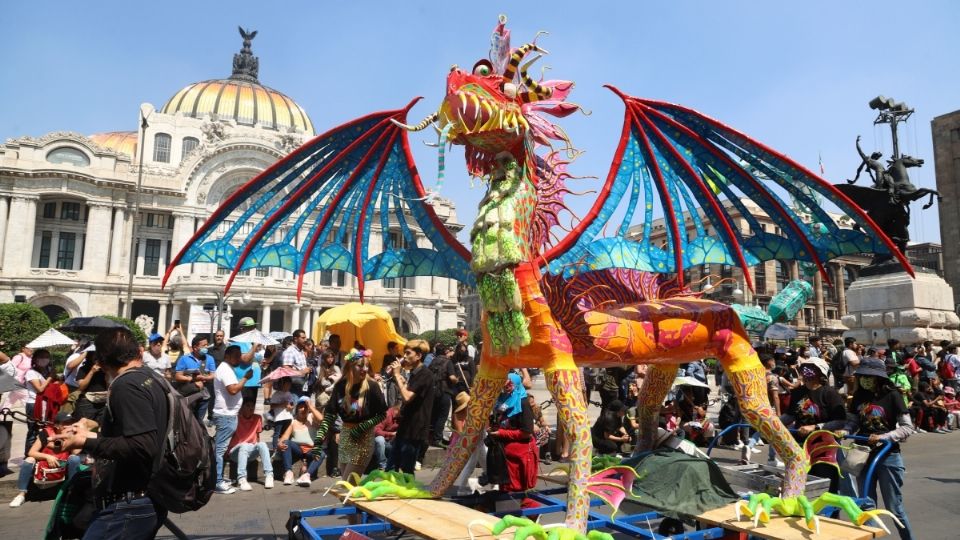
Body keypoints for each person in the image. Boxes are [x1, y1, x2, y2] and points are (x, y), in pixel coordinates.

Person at [53, 328, 170, 540]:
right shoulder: (152, 378)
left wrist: (84, 441)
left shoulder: (126, 385)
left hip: (129, 505)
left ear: (103, 362)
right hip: (144, 499)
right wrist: (94, 431)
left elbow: (142, 445)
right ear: (140, 352)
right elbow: (141, 432)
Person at [840, 357, 915, 540]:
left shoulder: (893, 395)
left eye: (869, 376)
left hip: (887, 455)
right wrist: (846, 430)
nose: (865, 379)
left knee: (894, 508)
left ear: (879, 378)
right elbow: (854, 421)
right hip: (862, 454)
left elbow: (907, 427)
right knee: (866, 506)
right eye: (862, 376)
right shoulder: (859, 396)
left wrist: (882, 437)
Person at [311, 349, 387, 480]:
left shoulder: (372, 386)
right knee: (346, 483)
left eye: (367, 366)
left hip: (364, 438)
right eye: (360, 365)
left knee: (347, 484)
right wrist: (318, 441)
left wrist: (363, 426)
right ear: (350, 366)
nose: (364, 369)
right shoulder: (340, 385)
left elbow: (382, 414)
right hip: (345, 435)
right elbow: (329, 414)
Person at [781, 357, 847, 491]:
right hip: (800, 445)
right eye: (804, 368)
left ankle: (830, 511)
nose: (806, 372)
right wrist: (772, 423)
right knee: (801, 483)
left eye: (811, 368)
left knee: (825, 484)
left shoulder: (830, 393)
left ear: (820, 373)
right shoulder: (798, 392)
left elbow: (840, 420)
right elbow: (790, 415)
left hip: (823, 446)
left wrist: (816, 427)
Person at [9, 411, 85, 508]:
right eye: (65, 423)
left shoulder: (72, 434)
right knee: (29, 460)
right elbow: (31, 452)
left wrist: (75, 438)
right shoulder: (46, 433)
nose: (69, 426)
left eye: (71, 423)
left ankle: (72, 492)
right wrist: (48, 457)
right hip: (44, 466)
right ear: (57, 425)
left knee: (75, 459)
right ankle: (21, 495)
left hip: (62, 465)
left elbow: (75, 452)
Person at [485, 373, 539, 504]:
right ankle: (510, 516)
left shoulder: (523, 403)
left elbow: (526, 432)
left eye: (509, 385)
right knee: (506, 490)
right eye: (504, 386)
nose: (506, 389)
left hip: (519, 456)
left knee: (516, 492)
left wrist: (502, 433)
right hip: (503, 454)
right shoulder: (501, 400)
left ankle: (532, 513)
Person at [386, 339, 435, 475]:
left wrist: (396, 374)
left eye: (408, 353)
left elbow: (407, 397)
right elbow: (408, 392)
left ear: (419, 356)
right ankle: (392, 492)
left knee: (406, 470)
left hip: (415, 428)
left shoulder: (424, 374)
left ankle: (407, 493)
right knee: (391, 466)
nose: (404, 357)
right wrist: (399, 380)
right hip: (406, 425)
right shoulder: (414, 373)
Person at [212, 345, 253, 494]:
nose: (238, 358)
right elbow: (233, 389)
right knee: (220, 450)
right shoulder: (225, 369)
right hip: (225, 415)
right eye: (235, 355)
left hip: (229, 414)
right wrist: (246, 378)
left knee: (222, 450)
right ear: (227, 356)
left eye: (239, 355)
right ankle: (217, 481)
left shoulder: (227, 368)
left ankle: (219, 478)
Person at [226, 399, 274, 490]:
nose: (251, 408)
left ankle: (269, 475)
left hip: (250, 450)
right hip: (235, 451)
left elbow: (257, 436)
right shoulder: (235, 418)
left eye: (252, 406)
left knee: (262, 444)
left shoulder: (257, 418)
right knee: (244, 445)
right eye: (248, 405)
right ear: (242, 407)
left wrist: (259, 449)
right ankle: (242, 479)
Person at [279, 396, 324, 486]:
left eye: (305, 407)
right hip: (298, 449)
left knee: (321, 453)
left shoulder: (312, 418)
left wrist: (311, 407)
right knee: (286, 442)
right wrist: (280, 443)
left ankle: (307, 475)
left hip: (311, 450)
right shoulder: (293, 422)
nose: (303, 409)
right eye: (301, 407)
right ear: (297, 409)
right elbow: (284, 437)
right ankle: (289, 473)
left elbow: (321, 419)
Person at [174, 335, 216, 422]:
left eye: (206, 345)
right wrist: (191, 379)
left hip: (204, 395)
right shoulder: (184, 359)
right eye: (203, 345)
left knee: (199, 421)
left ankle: (197, 434)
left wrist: (204, 377)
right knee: (187, 419)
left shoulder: (210, 359)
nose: (206, 347)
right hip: (189, 395)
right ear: (195, 347)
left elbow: (213, 375)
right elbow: (178, 376)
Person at [22, 349, 55, 453]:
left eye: (47, 357)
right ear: (35, 359)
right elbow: (40, 389)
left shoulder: (48, 371)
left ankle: (40, 453)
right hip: (34, 404)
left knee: (45, 430)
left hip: (46, 404)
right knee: (33, 431)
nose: (44, 359)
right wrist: (50, 378)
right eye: (41, 357)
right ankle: (28, 455)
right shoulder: (31, 373)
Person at [428, 345, 457, 447]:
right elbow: (452, 378)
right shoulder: (448, 362)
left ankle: (430, 438)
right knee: (442, 416)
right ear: (446, 351)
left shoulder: (433, 361)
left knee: (434, 415)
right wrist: (457, 380)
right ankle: (437, 439)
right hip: (445, 391)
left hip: (432, 392)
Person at [267, 378, 295, 450]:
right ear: (282, 385)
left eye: (289, 385)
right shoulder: (276, 394)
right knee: (277, 433)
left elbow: (292, 404)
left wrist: (290, 407)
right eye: (286, 385)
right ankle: (275, 448)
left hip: (288, 416)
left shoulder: (289, 394)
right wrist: (281, 404)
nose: (288, 386)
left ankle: (285, 447)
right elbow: (272, 406)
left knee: (287, 433)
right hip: (279, 417)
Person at [282, 329, 311, 396]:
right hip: (294, 387)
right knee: (295, 405)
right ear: (295, 339)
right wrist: (302, 372)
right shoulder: (290, 351)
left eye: (305, 337)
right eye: (303, 338)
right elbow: (286, 369)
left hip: (302, 385)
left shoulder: (300, 351)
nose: (305, 340)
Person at [373, 403, 400, 470]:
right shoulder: (386, 415)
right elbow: (376, 430)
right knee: (380, 440)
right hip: (381, 440)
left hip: (391, 442)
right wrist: (391, 434)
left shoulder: (400, 417)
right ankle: (383, 464)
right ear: (397, 410)